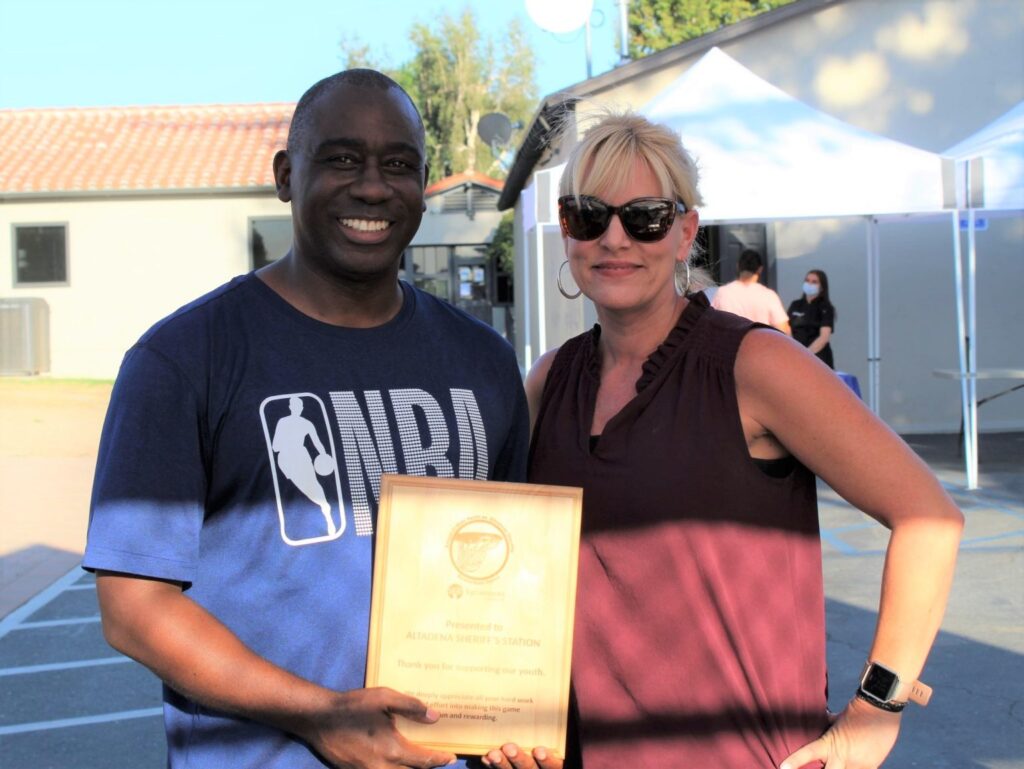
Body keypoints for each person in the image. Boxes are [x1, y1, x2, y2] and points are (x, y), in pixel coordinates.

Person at [482, 113, 962, 769]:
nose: (614, 237)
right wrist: (505, 709)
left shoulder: (755, 364)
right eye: (589, 215)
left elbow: (930, 518)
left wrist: (876, 710)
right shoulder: (549, 380)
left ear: (685, 232)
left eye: (645, 216)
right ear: (566, 230)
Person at [84, 69, 529, 769]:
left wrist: (516, 711)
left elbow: (517, 572)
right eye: (343, 159)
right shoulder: (184, 357)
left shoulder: (484, 362)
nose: (374, 187)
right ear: (287, 175)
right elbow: (133, 606)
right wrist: (319, 715)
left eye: (399, 165)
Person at [712, 247, 791, 334]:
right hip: (759, 345)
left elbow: (710, 323)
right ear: (760, 269)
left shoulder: (721, 293)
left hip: (729, 345)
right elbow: (783, 329)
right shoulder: (768, 296)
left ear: (738, 266)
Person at [788, 269, 836, 369]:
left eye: (814, 282)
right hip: (795, 355)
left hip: (818, 357)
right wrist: (795, 352)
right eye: (807, 280)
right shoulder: (795, 305)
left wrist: (807, 354)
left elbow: (824, 337)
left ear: (822, 287)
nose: (809, 284)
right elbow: (787, 330)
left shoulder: (826, 308)